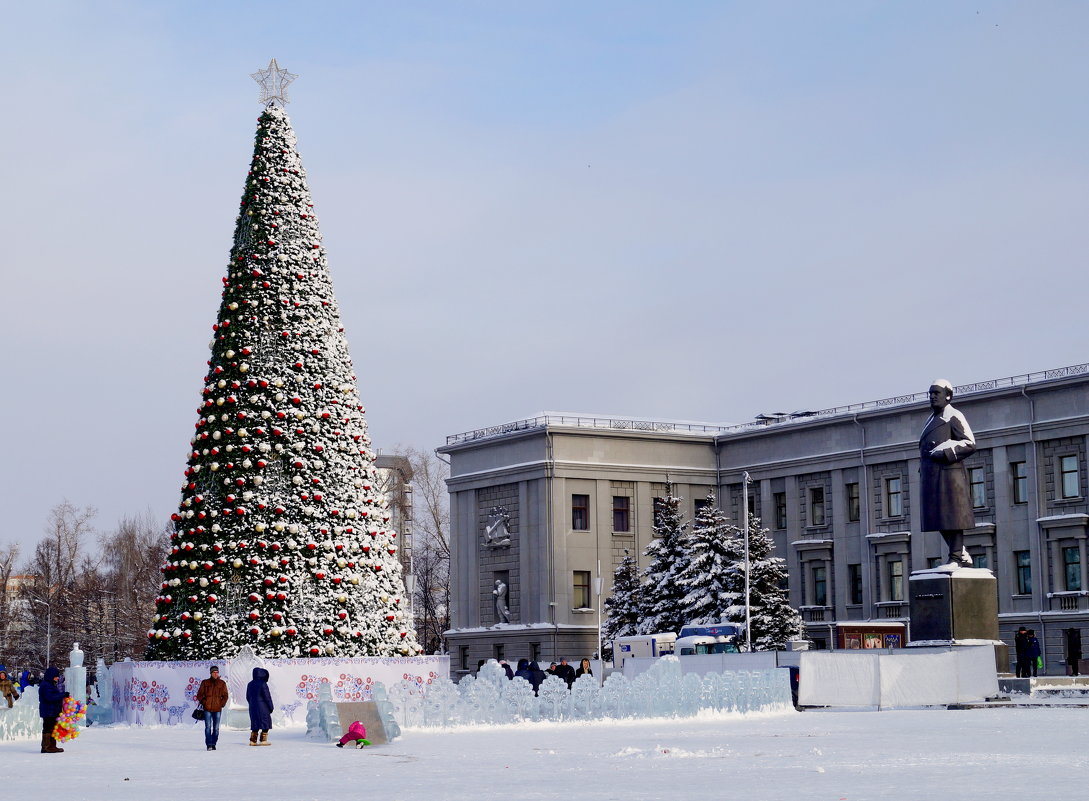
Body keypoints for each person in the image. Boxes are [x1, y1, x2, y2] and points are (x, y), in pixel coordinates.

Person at [919, 379, 977, 567]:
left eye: (937, 393)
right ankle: (960, 553)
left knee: (952, 517)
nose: (933, 396)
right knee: (939, 519)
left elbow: (969, 443)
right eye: (931, 393)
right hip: (933, 476)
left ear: (948, 396)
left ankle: (955, 557)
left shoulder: (953, 415)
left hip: (949, 476)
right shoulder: (931, 418)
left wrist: (945, 452)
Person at [195, 665, 228, 751]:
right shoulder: (205, 682)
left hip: (217, 709)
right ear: (211, 673)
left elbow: (225, 696)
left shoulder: (222, 683)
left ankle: (213, 743)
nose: (216, 674)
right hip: (207, 709)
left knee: (216, 728)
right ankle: (209, 744)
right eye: (214, 672)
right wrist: (204, 702)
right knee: (208, 727)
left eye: (217, 672)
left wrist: (221, 704)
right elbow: (199, 695)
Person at [38, 666, 66, 754]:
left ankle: (51, 746)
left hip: (52, 711)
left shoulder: (50, 684)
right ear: (51, 676)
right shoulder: (46, 685)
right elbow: (49, 697)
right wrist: (63, 695)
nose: (58, 678)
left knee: (51, 728)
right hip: (48, 711)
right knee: (48, 728)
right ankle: (47, 747)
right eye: (56, 676)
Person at [246, 667, 274, 746]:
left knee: (255, 723)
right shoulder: (263, 683)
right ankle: (263, 740)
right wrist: (271, 707)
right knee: (265, 723)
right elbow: (267, 697)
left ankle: (253, 740)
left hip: (253, 707)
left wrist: (252, 704)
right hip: (263, 707)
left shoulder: (250, 684)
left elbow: (247, 697)